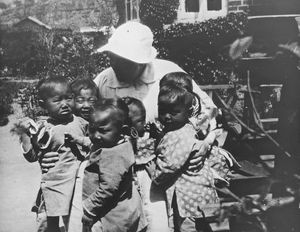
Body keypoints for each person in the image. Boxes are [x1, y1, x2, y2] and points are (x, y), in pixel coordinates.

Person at [92, 21, 218, 231]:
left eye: (122, 61)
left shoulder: (167, 72)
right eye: (111, 57)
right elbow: (86, 118)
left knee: (160, 223)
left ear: (140, 62)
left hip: (162, 166)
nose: (114, 64)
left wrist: (203, 142)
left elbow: (206, 111)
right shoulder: (104, 80)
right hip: (120, 167)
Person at [18, 76, 89, 232]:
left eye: (69, 98)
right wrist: (24, 134)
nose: (65, 104)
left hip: (78, 184)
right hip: (55, 184)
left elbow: (95, 144)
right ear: (43, 105)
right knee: (49, 224)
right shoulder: (43, 127)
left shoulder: (82, 123)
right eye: (57, 101)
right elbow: (32, 156)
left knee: (76, 224)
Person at [154, 84, 219, 232]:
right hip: (201, 192)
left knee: (187, 228)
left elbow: (169, 167)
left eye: (174, 112)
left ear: (188, 112)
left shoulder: (176, 135)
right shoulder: (188, 126)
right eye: (162, 111)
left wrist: (156, 178)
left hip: (187, 196)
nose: (167, 116)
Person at [81, 98, 147, 232]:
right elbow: (93, 144)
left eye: (103, 131)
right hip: (123, 212)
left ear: (121, 130)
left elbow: (108, 188)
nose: (96, 136)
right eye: (92, 130)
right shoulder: (117, 143)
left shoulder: (114, 154)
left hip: (116, 217)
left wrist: (89, 209)